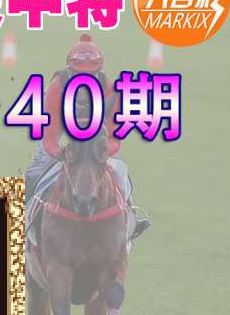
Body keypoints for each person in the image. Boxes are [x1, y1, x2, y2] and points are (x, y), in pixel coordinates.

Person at [24, 34, 150, 239]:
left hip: (94, 139)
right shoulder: (57, 87)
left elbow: (115, 136)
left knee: (121, 171)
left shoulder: (110, 90)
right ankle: (23, 220)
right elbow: (50, 136)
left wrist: (103, 151)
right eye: (78, 74)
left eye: (92, 74)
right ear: (69, 70)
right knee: (34, 173)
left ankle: (131, 218)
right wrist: (60, 152)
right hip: (61, 134)